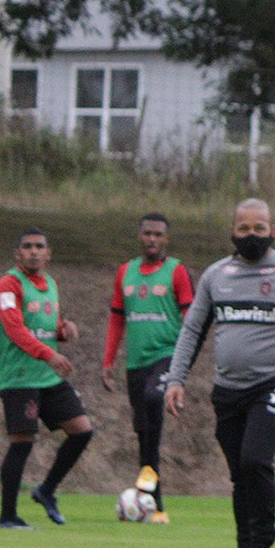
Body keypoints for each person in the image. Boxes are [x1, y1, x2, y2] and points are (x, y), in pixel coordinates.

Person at [164, 198, 275, 548]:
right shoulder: (215, 276)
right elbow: (192, 331)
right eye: (243, 229)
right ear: (232, 232)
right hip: (228, 390)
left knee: (256, 460)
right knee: (239, 472)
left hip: (273, 385)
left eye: (258, 228)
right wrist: (176, 379)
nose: (251, 235)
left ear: (273, 231)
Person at [0, 228, 93, 529]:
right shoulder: (8, 284)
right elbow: (15, 329)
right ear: (17, 253)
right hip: (21, 377)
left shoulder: (50, 283)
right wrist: (48, 354)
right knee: (22, 442)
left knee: (82, 430)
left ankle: (46, 490)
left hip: (48, 377)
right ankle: (8, 515)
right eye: (27, 247)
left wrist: (64, 331)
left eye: (39, 247)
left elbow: (47, 325)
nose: (33, 251)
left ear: (48, 254)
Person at [102, 212, 194, 523]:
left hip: (167, 357)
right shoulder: (125, 272)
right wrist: (108, 361)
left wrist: (183, 367)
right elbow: (117, 319)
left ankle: (150, 497)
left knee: (155, 401)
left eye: (158, 234)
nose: (152, 239)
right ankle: (156, 505)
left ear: (166, 239)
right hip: (136, 363)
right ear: (140, 236)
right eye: (147, 234)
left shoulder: (176, 271)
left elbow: (191, 320)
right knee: (144, 434)